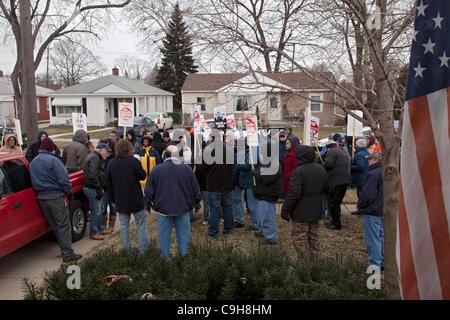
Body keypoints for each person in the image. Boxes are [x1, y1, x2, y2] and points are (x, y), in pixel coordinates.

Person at [29, 137, 82, 262]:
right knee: (63, 225)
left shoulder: (33, 162)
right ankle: (67, 253)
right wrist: (69, 193)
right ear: (51, 149)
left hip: (41, 198)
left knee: (55, 226)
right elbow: (64, 179)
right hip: (55, 197)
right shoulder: (54, 161)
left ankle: (63, 249)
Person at [144, 145, 202, 259]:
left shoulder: (157, 169)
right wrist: (197, 201)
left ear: (164, 155)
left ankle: (164, 262)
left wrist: (147, 202)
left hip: (164, 209)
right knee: (184, 237)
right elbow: (195, 187)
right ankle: (184, 261)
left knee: (164, 238)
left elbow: (149, 189)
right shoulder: (186, 169)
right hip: (183, 208)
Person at [281, 145, 328, 262]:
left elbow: (294, 194)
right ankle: (315, 262)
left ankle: (304, 265)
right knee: (314, 238)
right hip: (316, 209)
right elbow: (327, 188)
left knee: (300, 238)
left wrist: (285, 209)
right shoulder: (321, 169)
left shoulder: (298, 172)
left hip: (301, 212)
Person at [106, 140, 149, 253]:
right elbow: (143, 176)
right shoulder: (134, 161)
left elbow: (108, 184)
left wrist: (112, 200)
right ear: (130, 149)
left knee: (124, 227)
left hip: (121, 200)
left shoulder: (112, 163)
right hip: (135, 199)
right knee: (141, 225)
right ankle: (143, 251)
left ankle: (127, 251)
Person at [198, 138, 234, 238]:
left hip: (214, 186)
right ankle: (229, 228)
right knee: (227, 207)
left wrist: (201, 156)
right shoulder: (229, 152)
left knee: (214, 209)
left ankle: (214, 231)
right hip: (227, 185)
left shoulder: (210, 153)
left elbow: (201, 167)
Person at [357, 151, 384, 270]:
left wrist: (361, 206)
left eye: (370, 159)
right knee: (381, 237)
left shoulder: (373, 174)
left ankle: (375, 265)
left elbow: (368, 195)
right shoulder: (385, 172)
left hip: (372, 211)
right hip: (382, 209)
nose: (368, 161)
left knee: (372, 239)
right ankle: (382, 261)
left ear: (376, 160)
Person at [251, 144, 282, 245]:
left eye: (262, 152)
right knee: (261, 216)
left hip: (268, 195)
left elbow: (266, 179)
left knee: (268, 217)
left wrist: (255, 174)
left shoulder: (273, 164)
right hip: (263, 194)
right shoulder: (266, 162)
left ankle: (271, 237)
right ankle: (264, 232)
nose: (260, 155)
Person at [81, 143, 112, 240]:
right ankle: (94, 232)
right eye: (106, 152)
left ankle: (100, 228)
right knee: (96, 210)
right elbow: (93, 174)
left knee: (101, 208)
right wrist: (98, 187)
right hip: (92, 188)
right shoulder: (94, 158)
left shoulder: (96, 157)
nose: (106, 155)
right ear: (101, 150)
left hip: (95, 187)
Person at [322, 141, 350, 230]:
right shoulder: (342, 152)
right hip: (343, 181)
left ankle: (336, 224)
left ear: (328, 148)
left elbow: (328, 164)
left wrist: (320, 165)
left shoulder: (331, 152)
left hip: (336, 182)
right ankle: (335, 222)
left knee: (332, 203)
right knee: (336, 203)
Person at [237, 139, 259, 232]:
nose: (246, 142)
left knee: (252, 205)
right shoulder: (251, 150)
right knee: (252, 204)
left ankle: (256, 224)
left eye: (248, 140)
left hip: (251, 182)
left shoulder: (254, 150)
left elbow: (248, 165)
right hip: (248, 182)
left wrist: (239, 163)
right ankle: (256, 223)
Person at [99, 137, 118, 232]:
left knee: (113, 207)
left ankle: (111, 225)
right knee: (103, 207)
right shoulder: (100, 158)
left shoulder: (115, 158)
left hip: (114, 187)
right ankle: (103, 225)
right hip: (104, 186)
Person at [350, 138, 370, 216]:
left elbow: (360, 166)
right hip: (365, 176)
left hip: (360, 178)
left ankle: (361, 210)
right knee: (363, 195)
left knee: (361, 195)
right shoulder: (366, 152)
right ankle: (361, 209)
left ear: (358, 145)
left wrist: (350, 166)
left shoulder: (359, 155)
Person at [232, 139, 245, 228]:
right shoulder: (241, 154)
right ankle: (241, 218)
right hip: (240, 181)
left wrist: (232, 181)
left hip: (236, 181)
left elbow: (236, 170)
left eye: (235, 145)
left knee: (236, 200)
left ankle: (239, 220)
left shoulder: (238, 155)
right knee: (239, 200)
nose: (234, 146)